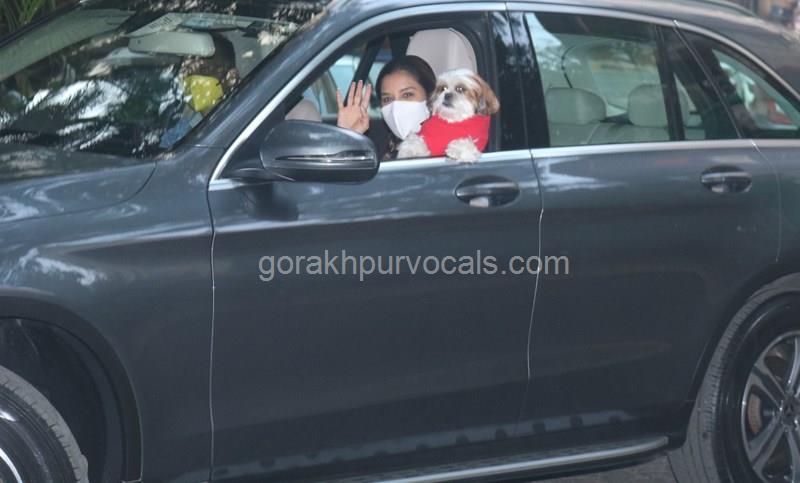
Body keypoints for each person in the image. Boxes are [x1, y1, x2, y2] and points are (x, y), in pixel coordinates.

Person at [336, 55, 436, 159]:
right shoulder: (377, 148)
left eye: (407, 95)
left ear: (431, 97)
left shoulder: (446, 150)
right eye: (387, 99)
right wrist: (347, 140)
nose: (396, 108)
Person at [160, 33, 240, 149]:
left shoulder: (247, 123)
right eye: (187, 71)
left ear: (231, 78)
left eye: (204, 70)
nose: (193, 79)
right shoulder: (182, 129)